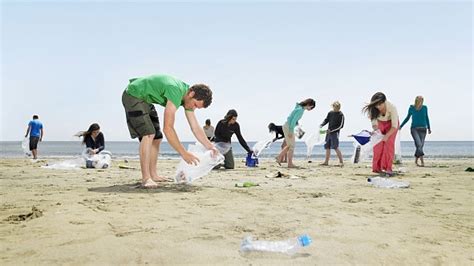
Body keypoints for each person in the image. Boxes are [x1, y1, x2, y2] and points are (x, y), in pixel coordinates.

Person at [122, 74, 216, 188]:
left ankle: (153, 175)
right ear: (192, 94)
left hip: (145, 99)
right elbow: (168, 128)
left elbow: (195, 127)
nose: (193, 108)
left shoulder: (187, 98)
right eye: (195, 104)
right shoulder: (176, 91)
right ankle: (146, 178)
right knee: (148, 134)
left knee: (157, 138)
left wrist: (210, 146)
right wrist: (184, 153)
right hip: (133, 94)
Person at [362, 92, 399, 176]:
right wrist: (375, 131)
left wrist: (386, 136)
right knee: (377, 144)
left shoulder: (392, 107)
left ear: (384, 101)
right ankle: (377, 168)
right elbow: (375, 124)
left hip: (392, 125)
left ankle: (387, 168)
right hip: (380, 124)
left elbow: (394, 126)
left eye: (380, 104)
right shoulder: (373, 109)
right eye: (376, 105)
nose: (378, 107)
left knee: (388, 145)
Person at [276, 99, 316, 168]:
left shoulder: (299, 107)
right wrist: (291, 131)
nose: (311, 109)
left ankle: (279, 157)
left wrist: (297, 127)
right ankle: (289, 163)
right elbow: (293, 120)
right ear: (309, 105)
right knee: (291, 146)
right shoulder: (300, 110)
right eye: (311, 107)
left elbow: (292, 119)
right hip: (288, 127)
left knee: (289, 145)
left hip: (287, 126)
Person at [400, 96, 431, 167]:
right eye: (420, 100)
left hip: (423, 129)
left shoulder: (425, 108)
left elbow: (426, 117)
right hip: (414, 129)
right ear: (416, 100)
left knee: (420, 146)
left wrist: (429, 127)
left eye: (422, 100)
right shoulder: (411, 108)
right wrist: (401, 126)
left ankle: (416, 161)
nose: (421, 102)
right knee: (419, 144)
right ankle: (422, 162)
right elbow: (407, 118)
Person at [320, 101, 345, 166]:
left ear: (339, 107)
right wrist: (322, 124)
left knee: (335, 147)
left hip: (335, 133)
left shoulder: (341, 115)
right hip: (328, 133)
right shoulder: (330, 113)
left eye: (338, 107)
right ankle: (326, 162)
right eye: (335, 107)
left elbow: (341, 126)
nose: (336, 108)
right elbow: (326, 120)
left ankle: (341, 162)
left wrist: (332, 130)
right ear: (333, 106)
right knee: (327, 147)